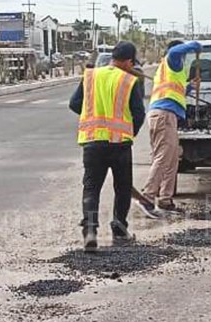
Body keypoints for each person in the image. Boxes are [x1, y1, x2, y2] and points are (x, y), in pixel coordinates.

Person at [69, 41, 146, 252]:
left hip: (92, 142)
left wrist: (92, 115)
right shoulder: (129, 80)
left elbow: (74, 103)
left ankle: (90, 231)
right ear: (129, 61)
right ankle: (119, 230)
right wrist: (129, 133)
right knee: (122, 188)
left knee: (91, 187)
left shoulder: (91, 76)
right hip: (120, 144)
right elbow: (139, 114)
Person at [134, 39, 202, 218]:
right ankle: (147, 197)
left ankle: (165, 200)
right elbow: (174, 51)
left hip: (167, 115)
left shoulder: (171, 70)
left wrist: (189, 88)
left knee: (172, 159)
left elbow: (174, 92)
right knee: (163, 157)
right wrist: (194, 45)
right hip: (163, 115)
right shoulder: (172, 59)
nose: (184, 58)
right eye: (184, 54)